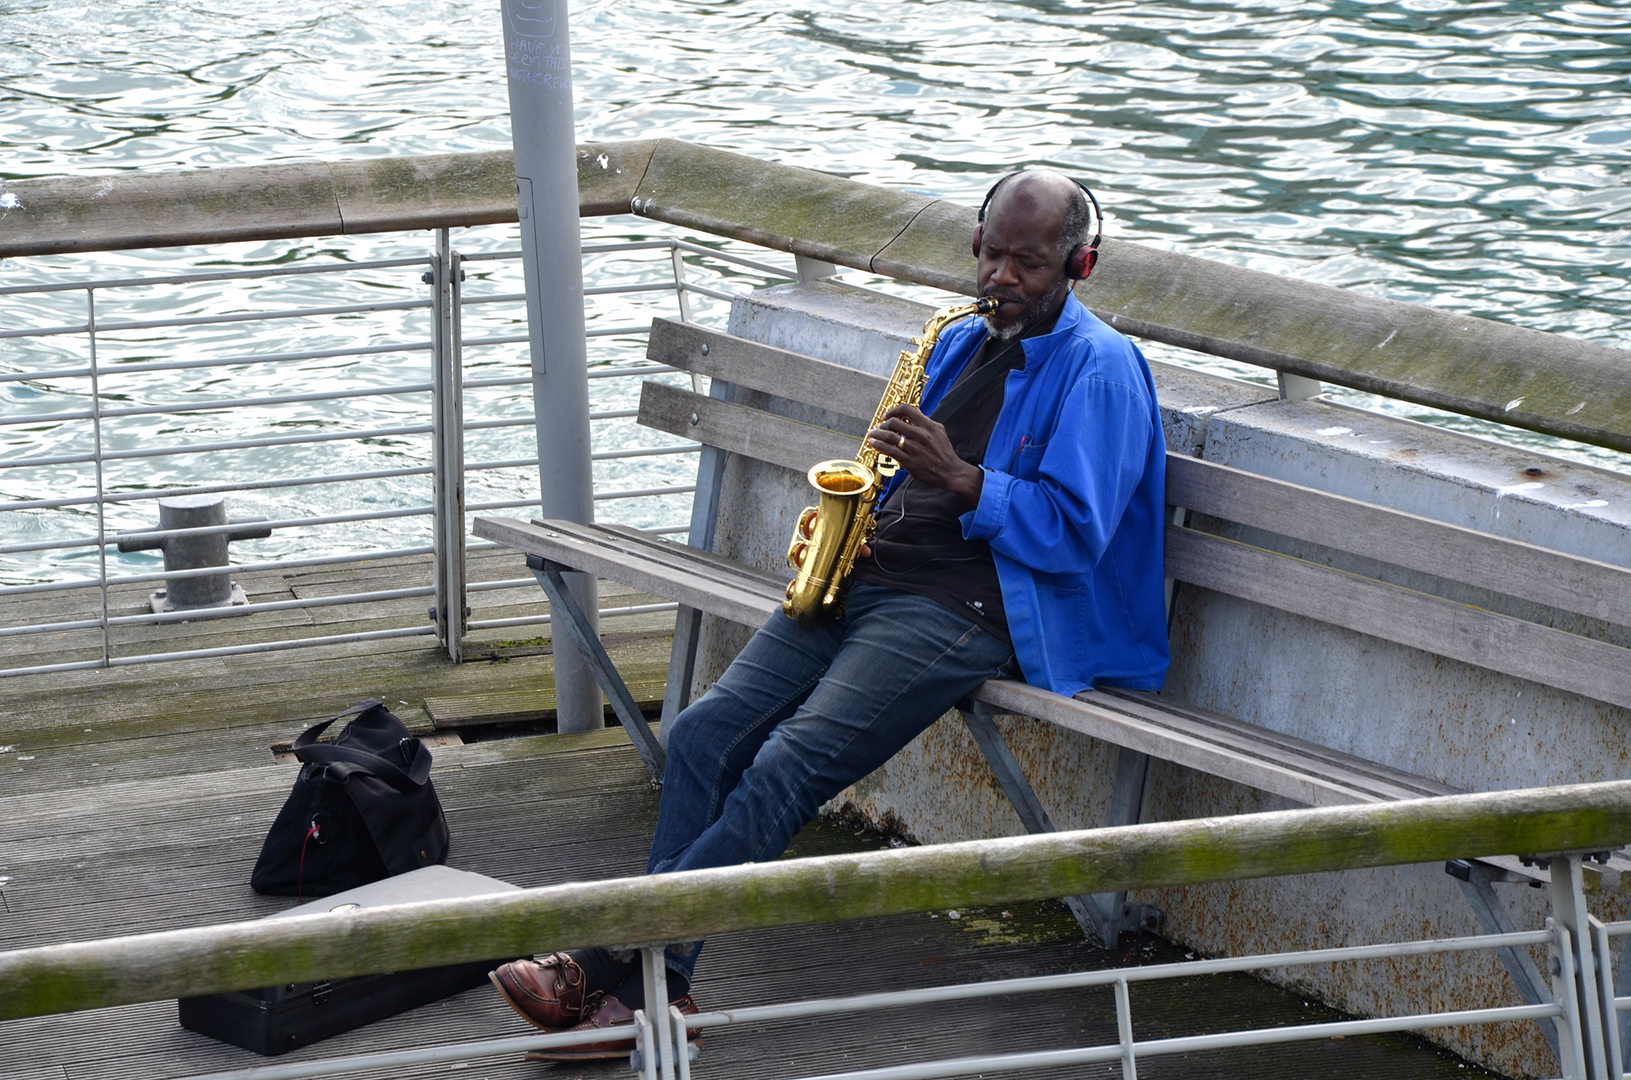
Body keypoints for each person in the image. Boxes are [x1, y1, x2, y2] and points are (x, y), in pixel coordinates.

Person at [488, 167, 1170, 1059]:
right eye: (992, 255)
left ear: (1078, 263)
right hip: (865, 575)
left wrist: (963, 480)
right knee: (700, 736)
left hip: (975, 606)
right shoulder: (962, 341)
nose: (1002, 278)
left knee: (784, 765)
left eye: (1029, 264)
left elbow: (1076, 533)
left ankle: (612, 958)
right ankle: (665, 992)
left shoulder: (1102, 370)